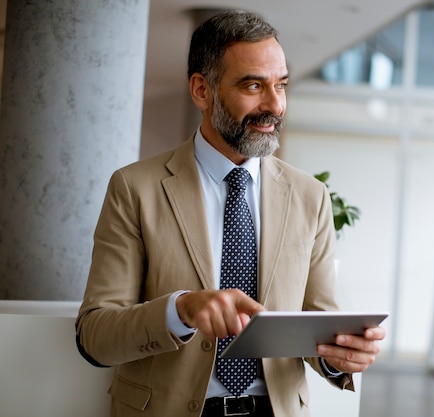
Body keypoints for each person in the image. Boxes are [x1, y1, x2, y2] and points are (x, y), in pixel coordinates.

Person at [75, 9, 385, 417]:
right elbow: (95, 336)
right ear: (202, 91)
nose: (275, 105)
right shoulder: (135, 188)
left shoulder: (311, 196)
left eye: (282, 85)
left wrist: (338, 355)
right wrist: (181, 310)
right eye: (254, 85)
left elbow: (315, 323)